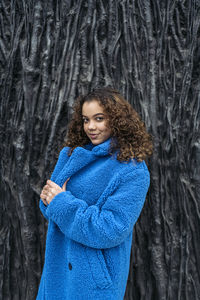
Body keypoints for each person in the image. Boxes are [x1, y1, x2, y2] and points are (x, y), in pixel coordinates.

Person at [36, 87, 153, 300]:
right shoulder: (72, 155)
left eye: (99, 119)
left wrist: (61, 203)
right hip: (58, 267)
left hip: (92, 280)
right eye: (85, 120)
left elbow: (111, 229)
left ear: (117, 120)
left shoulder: (132, 169)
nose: (91, 127)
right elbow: (48, 202)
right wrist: (52, 202)